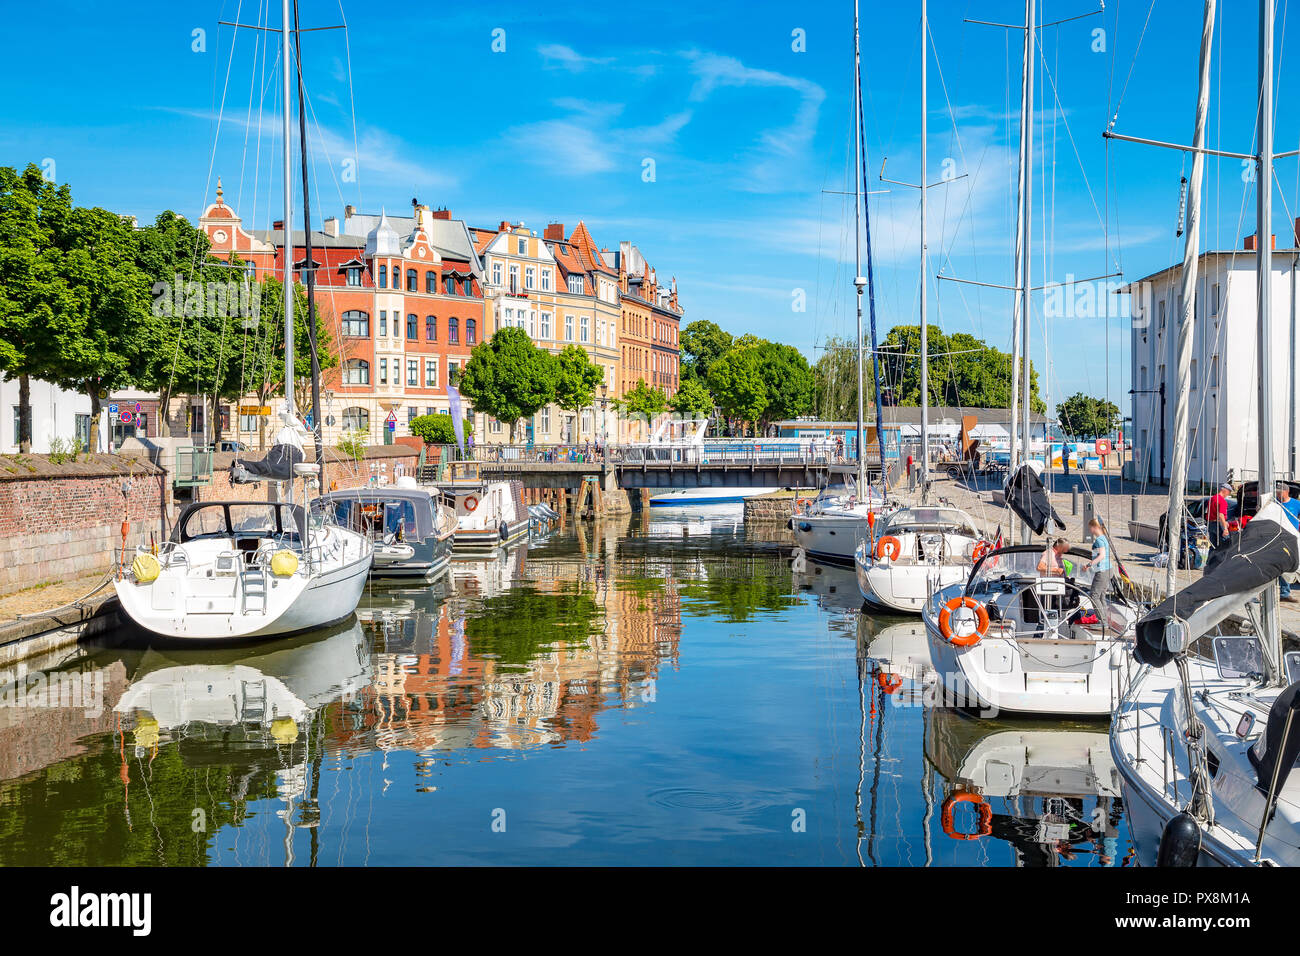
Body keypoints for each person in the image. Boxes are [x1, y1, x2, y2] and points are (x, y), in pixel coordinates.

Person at [1275, 481, 1300, 602]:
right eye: (1277, 492)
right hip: (1276, 537)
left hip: (1291, 537)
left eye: (1280, 492)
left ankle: (1285, 593)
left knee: (1288, 564)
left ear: (1286, 491)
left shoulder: (1296, 504)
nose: (1278, 494)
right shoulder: (1274, 503)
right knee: (1273, 564)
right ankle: (1266, 593)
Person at [1083, 518, 1114, 611]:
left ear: (1095, 527)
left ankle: (1102, 620)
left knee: (1094, 595)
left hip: (1102, 570)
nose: (1090, 530)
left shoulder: (1099, 540)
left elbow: (1102, 556)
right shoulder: (1105, 538)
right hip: (1109, 569)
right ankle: (1104, 620)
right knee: (1101, 596)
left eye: (1090, 528)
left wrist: (1088, 565)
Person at [1206, 481, 1232, 548]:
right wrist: (1225, 528)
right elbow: (1221, 515)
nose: (1228, 494)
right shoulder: (1222, 501)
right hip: (1218, 525)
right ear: (1225, 490)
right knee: (1226, 544)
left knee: (1213, 546)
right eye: (1229, 492)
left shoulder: (1212, 498)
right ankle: (1225, 558)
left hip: (1210, 524)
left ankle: (1211, 558)